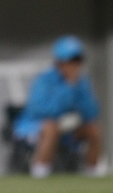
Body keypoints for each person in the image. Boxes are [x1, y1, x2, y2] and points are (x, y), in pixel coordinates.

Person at [13, 35, 105, 178]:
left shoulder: (81, 81)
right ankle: (40, 172)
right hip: (34, 127)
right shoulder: (43, 80)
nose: (74, 65)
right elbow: (39, 110)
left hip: (67, 128)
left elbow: (91, 113)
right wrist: (68, 88)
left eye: (77, 60)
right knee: (51, 127)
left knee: (93, 128)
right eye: (70, 61)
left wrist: (76, 88)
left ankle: (93, 172)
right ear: (59, 62)